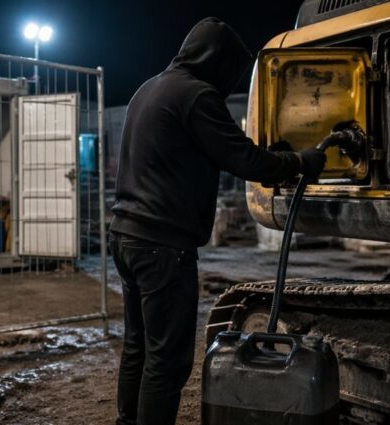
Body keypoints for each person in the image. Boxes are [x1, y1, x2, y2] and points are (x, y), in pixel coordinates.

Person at [109, 17, 326, 425]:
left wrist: (273, 159)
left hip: (126, 236)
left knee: (138, 345)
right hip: (161, 246)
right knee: (168, 360)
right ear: (216, 60)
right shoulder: (197, 95)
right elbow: (242, 158)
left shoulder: (150, 88)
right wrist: (300, 161)